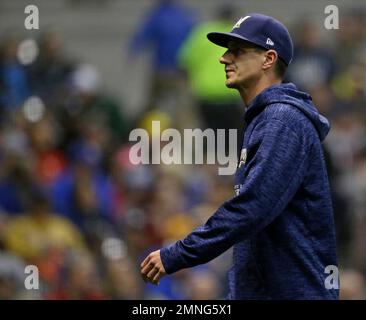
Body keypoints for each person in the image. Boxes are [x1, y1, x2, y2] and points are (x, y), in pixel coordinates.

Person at [140, 13, 339, 300]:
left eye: (237, 51)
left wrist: (179, 254)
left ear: (268, 59)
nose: (223, 58)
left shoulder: (282, 120)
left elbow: (252, 207)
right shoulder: (264, 120)